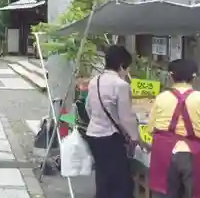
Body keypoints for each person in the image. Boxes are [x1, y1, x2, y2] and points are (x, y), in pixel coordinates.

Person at [85, 45, 140, 198]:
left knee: (103, 178)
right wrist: (136, 138)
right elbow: (126, 117)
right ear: (122, 66)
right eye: (127, 68)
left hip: (93, 135)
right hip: (110, 137)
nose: (127, 72)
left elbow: (89, 107)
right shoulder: (121, 85)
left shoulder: (94, 81)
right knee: (122, 183)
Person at [148, 59, 200, 198]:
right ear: (194, 77)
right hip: (194, 154)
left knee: (164, 193)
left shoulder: (161, 98)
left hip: (164, 152)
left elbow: (150, 128)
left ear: (170, 76)